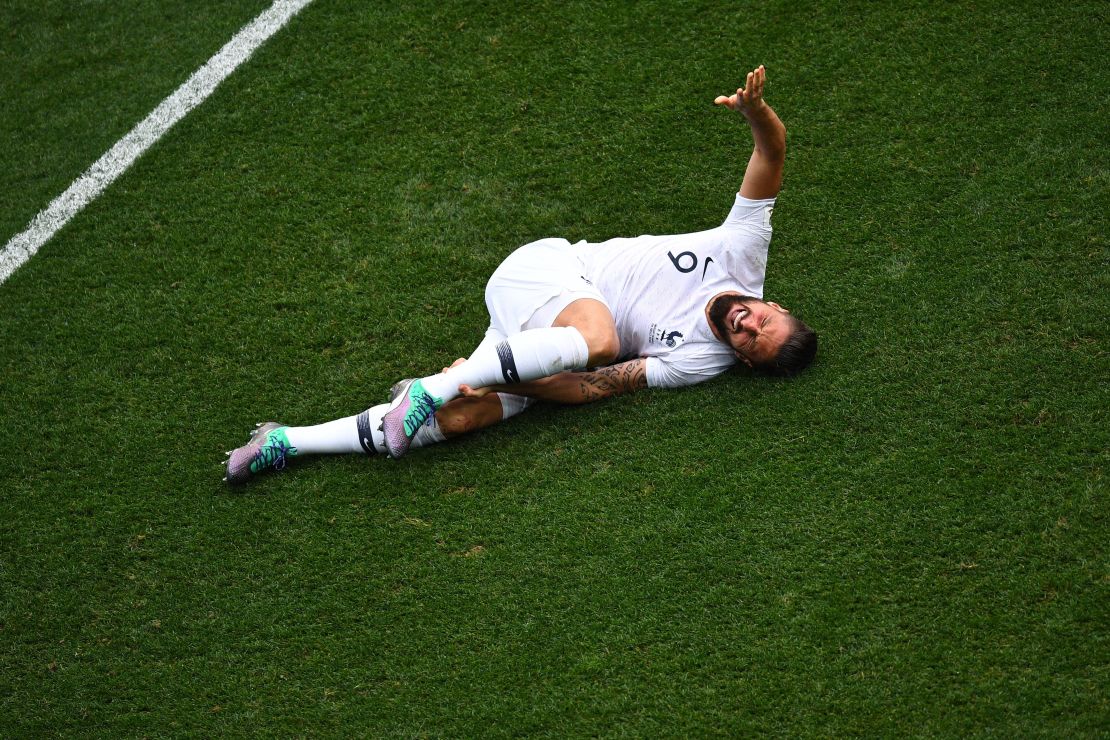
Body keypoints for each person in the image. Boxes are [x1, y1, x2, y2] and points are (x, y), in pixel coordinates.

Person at [224, 65, 816, 483]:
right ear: (777, 306)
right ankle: (427, 388)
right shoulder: (744, 252)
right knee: (600, 340)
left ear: (741, 359)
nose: (747, 323)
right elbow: (772, 156)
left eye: (750, 342)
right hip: (547, 272)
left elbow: (593, 387)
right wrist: (757, 113)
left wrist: (491, 386)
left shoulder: (698, 362)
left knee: (459, 418)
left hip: (540, 345)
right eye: (763, 320)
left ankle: (286, 440)